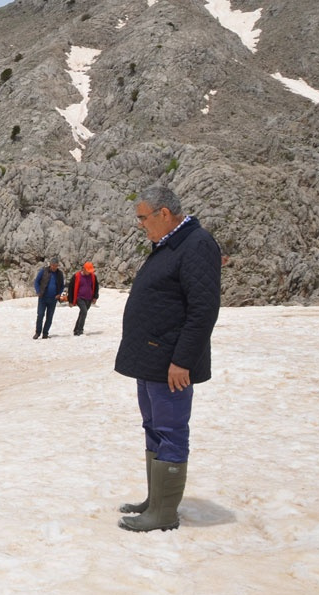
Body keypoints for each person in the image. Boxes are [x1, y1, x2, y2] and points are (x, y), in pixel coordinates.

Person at [115, 185, 221, 532]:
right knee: (153, 428)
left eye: (143, 218)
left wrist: (183, 360)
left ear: (164, 213)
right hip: (151, 359)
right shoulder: (168, 245)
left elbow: (203, 309)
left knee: (171, 430)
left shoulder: (197, 244)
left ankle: (164, 513)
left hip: (171, 363)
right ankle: (155, 501)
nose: (141, 225)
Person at [33, 259, 64, 339]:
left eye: (56, 266)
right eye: (53, 265)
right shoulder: (43, 271)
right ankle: (37, 332)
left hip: (53, 299)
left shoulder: (59, 274)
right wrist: (38, 291)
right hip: (43, 297)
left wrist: (59, 294)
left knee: (49, 317)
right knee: (40, 315)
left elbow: (62, 286)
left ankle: (45, 333)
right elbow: (36, 282)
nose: (54, 267)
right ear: (50, 264)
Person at [67, 261, 100, 336]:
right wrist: (70, 300)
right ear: (84, 269)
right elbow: (71, 288)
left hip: (89, 298)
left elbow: (96, 287)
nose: (89, 272)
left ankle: (76, 330)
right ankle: (80, 330)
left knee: (82, 313)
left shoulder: (93, 277)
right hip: (79, 298)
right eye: (88, 271)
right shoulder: (76, 276)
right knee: (84, 311)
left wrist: (95, 297)